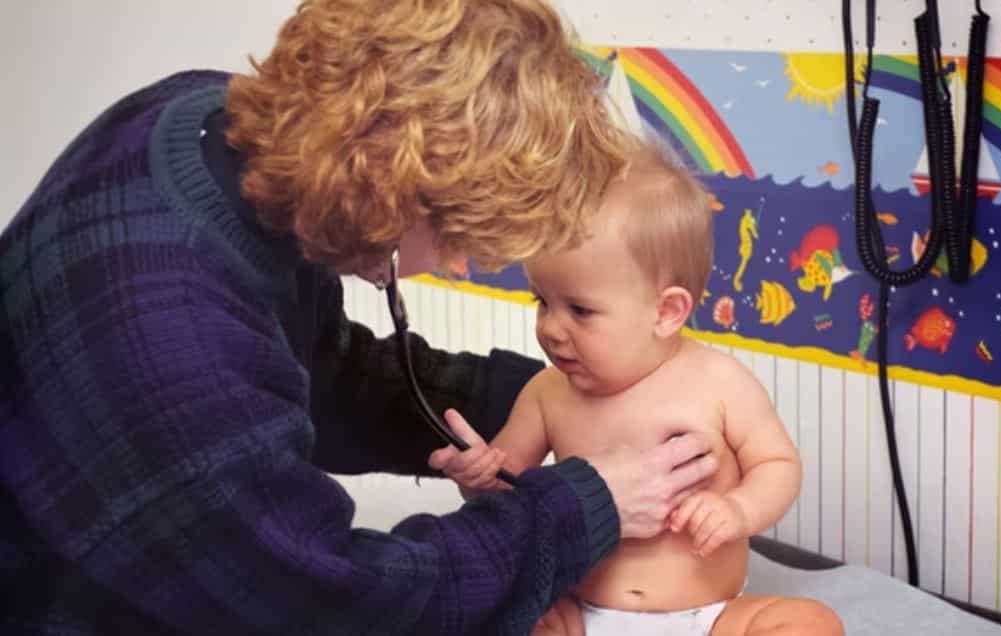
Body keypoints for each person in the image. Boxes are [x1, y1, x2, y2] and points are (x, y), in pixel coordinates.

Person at [0, 1, 720, 634]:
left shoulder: (214, 122)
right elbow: (335, 602)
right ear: (388, 190)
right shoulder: (170, 338)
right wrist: (578, 506)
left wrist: (564, 398)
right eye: (458, 238)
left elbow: (315, 369)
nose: (459, 265)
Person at [432, 142, 845, 635]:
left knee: (811, 623)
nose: (551, 328)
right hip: (581, 613)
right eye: (542, 301)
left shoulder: (718, 381)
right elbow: (513, 493)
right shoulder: (546, 392)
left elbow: (778, 466)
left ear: (666, 312)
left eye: (580, 310)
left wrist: (738, 509)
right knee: (503, 613)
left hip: (708, 617)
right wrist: (477, 480)